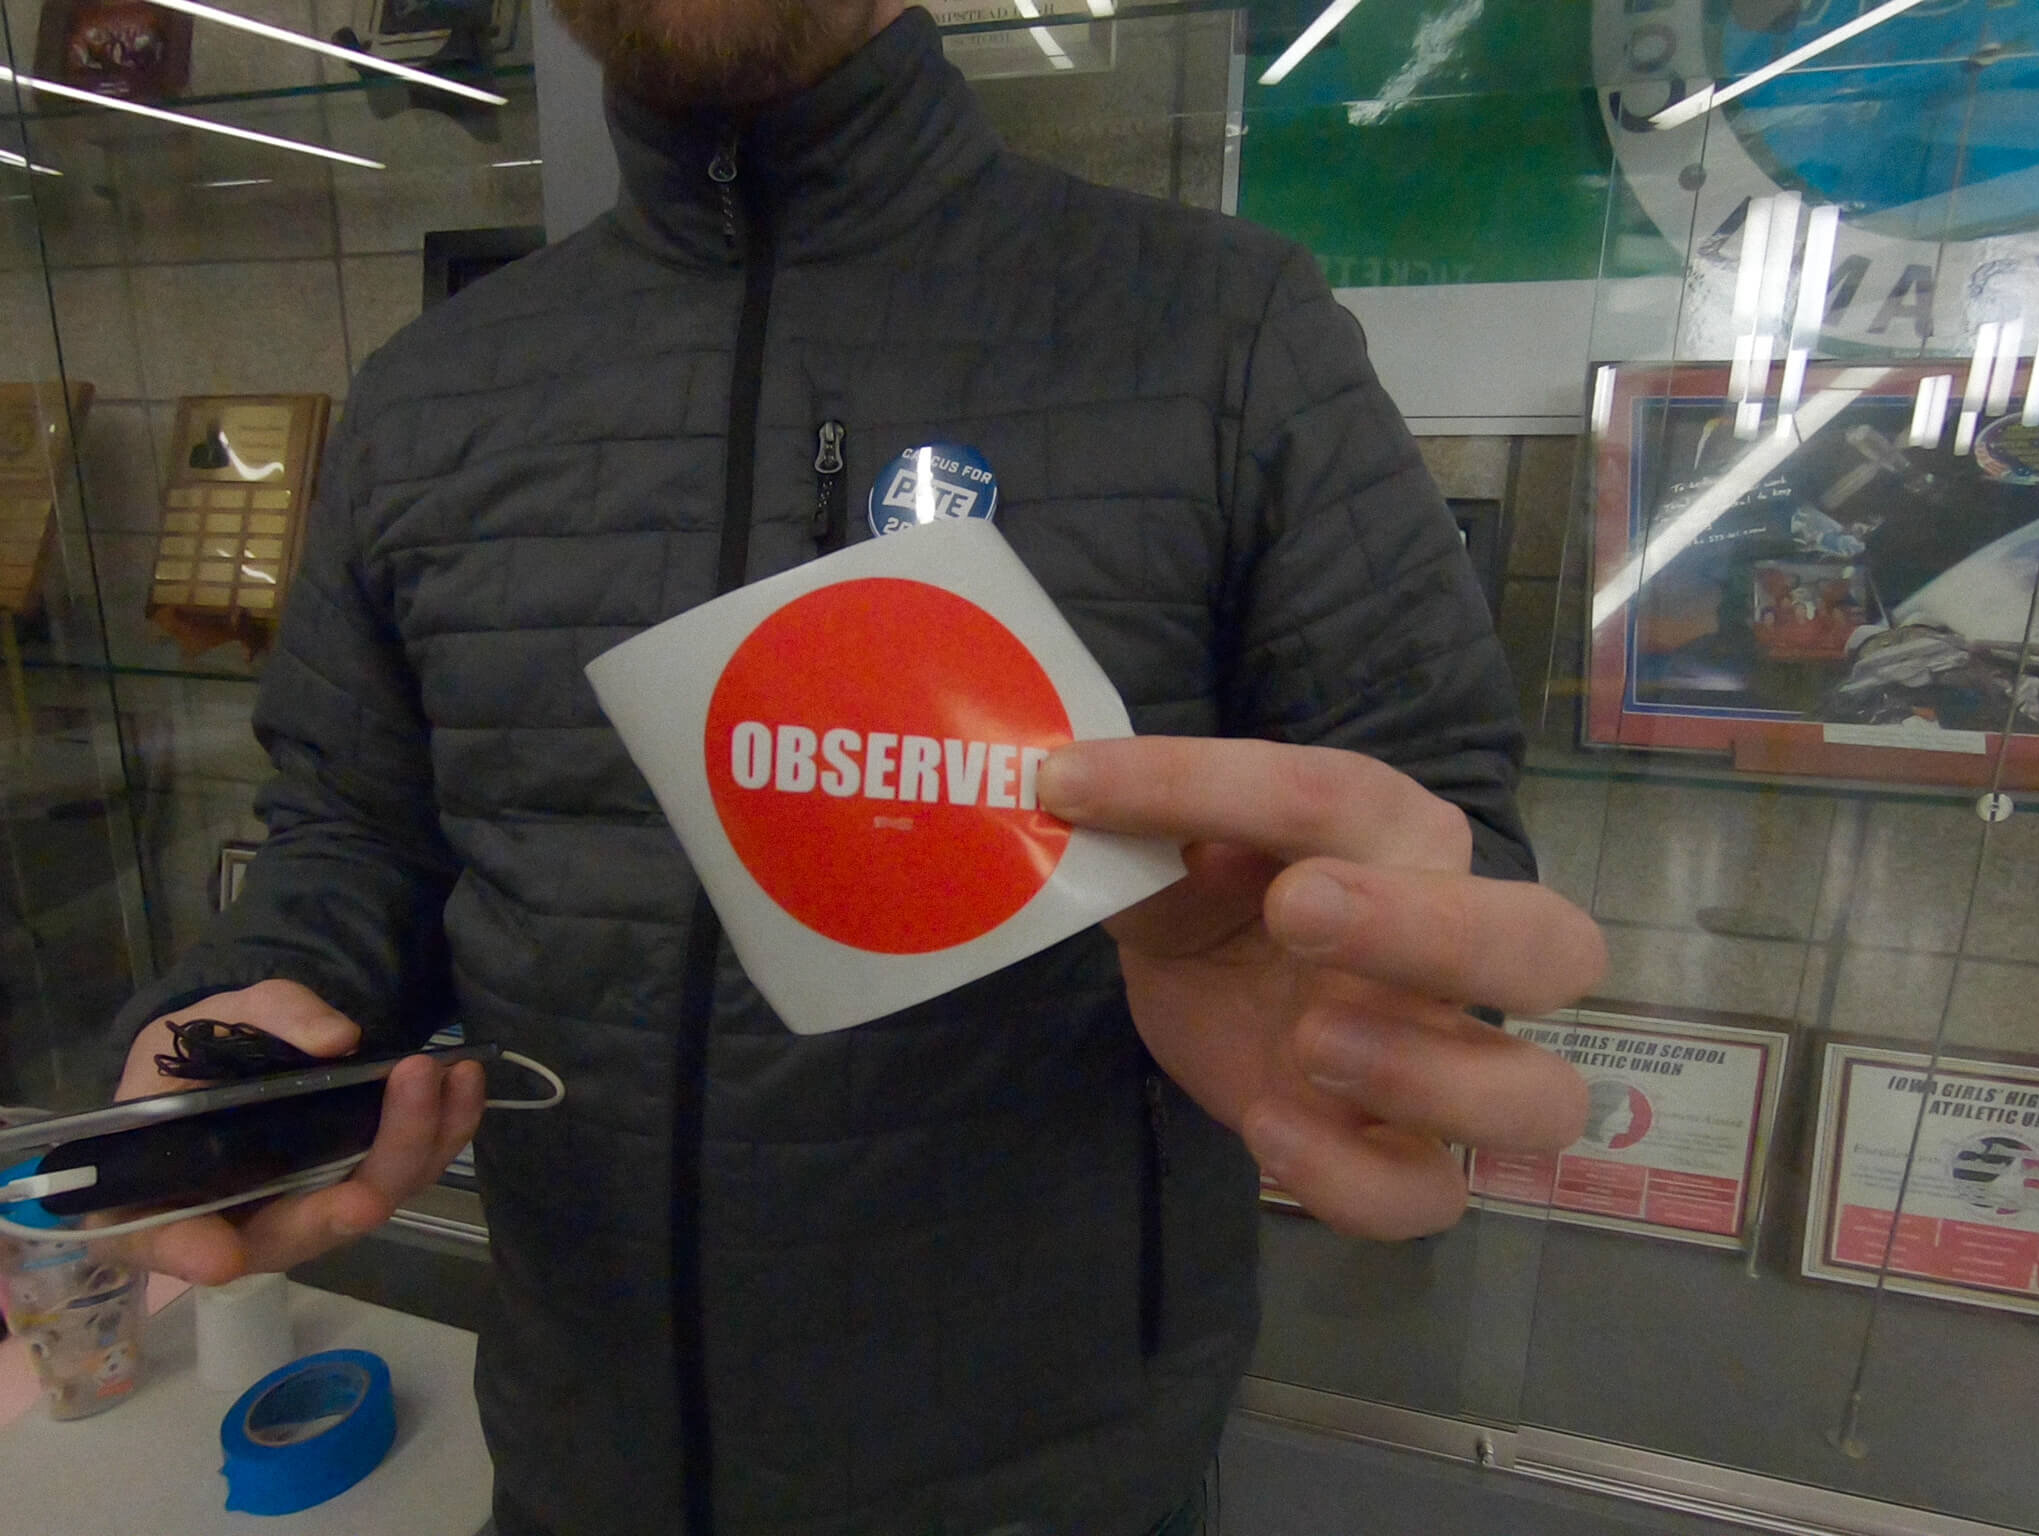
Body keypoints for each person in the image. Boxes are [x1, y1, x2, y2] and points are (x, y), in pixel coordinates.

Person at [108, 3, 1605, 1532]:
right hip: (579, 1467)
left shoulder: (1229, 335)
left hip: (1057, 1489)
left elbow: (1429, 833)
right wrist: (259, 1024)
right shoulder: (433, 395)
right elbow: (355, 833)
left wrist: (1381, 980)